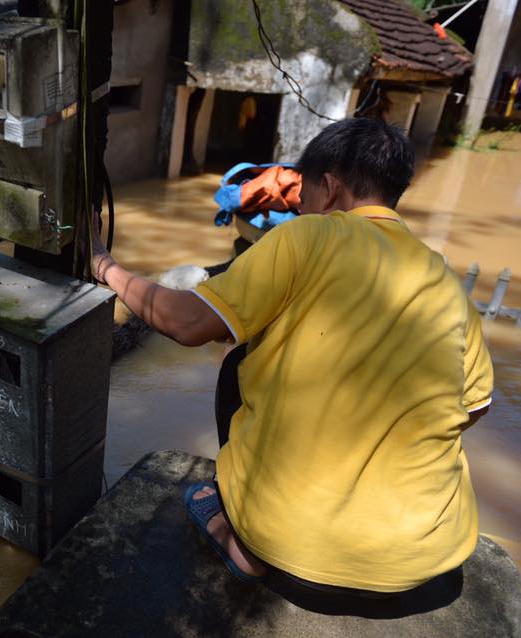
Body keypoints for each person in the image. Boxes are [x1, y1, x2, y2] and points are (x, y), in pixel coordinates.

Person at [90, 118, 493, 599]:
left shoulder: (305, 238)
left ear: (332, 189)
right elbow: (474, 407)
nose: (299, 208)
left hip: (296, 554)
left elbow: (185, 323)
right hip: (426, 561)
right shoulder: (445, 281)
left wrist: (102, 264)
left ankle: (245, 541)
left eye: (302, 196)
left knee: (238, 357)